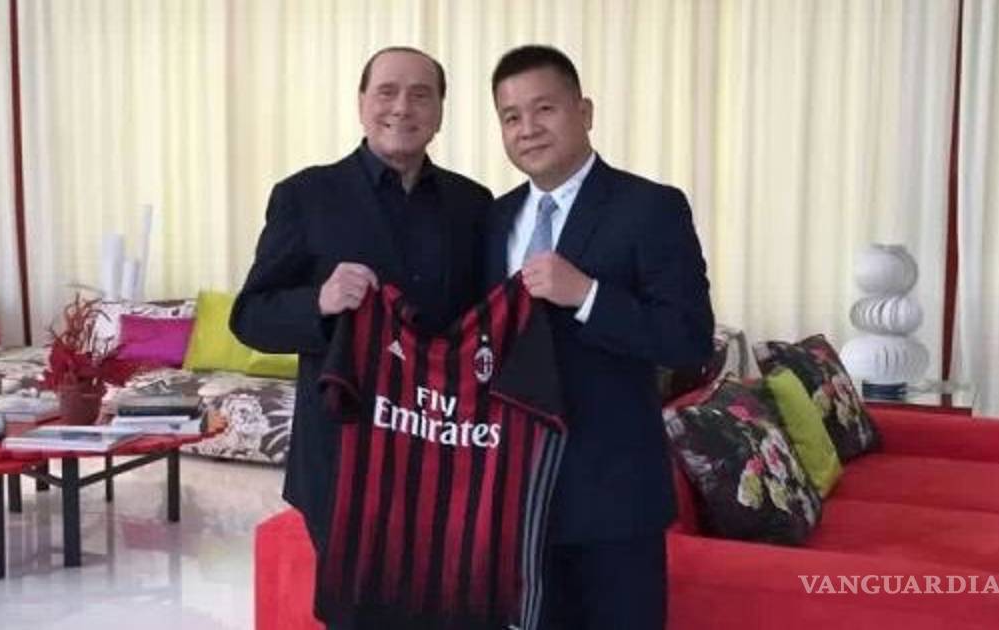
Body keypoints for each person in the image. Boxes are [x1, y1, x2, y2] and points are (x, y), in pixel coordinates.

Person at [230, 46, 491, 624]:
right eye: (387, 91)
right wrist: (319, 302)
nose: (402, 107)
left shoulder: (473, 204)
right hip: (343, 459)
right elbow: (250, 316)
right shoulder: (305, 195)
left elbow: (489, 325)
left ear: (440, 111)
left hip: (443, 455)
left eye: (421, 94)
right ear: (361, 103)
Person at [485, 45, 714, 628]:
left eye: (545, 109)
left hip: (613, 501)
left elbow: (689, 339)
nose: (528, 128)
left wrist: (588, 295)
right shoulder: (493, 218)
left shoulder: (651, 208)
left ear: (584, 112)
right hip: (514, 500)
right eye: (511, 116)